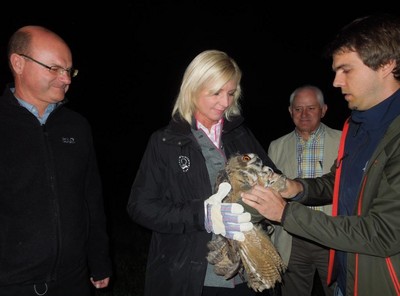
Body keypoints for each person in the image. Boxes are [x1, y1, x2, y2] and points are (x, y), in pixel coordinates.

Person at [241, 13, 400, 296]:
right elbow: (338, 183)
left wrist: (286, 212)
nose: (336, 81)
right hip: (346, 276)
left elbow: (384, 232)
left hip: (382, 283)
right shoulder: (357, 126)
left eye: (346, 70)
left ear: (386, 65)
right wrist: (296, 187)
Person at [127, 49, 281, 296]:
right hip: (196, 277)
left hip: (249, 273)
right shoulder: (164, 142)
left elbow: (274, 179)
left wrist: (272, 190)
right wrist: (202, 215)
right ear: (192, 89)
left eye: (231, 93)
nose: (225, 102)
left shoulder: (240, 133)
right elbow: (140, 206)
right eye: (216, 93)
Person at [0, 25, 112, 295]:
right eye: (54, 69)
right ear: (18, 63)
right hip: (12, 284)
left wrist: (99, 260)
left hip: (73, 280)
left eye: (69, 70)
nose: (66, 79)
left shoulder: (77, 126)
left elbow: (91, 198)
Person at [268, 85, 341, 296]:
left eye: (311, 108)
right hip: (292, 238)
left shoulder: (343, 140)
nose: (304, 114)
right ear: (290, 111)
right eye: (298, 109)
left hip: (332, 236)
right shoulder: (276, 146)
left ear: (323, 110)